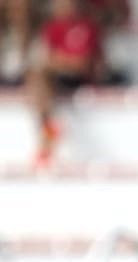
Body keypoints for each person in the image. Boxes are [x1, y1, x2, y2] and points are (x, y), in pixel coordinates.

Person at [24, 0, 102, 166]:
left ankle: (47, 129)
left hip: (80, 79)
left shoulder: (86, 26)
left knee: (39, 75)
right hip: (58, 76)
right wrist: (62, 60)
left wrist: (58, 60)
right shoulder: (52, 26)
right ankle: (48, 125)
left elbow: (82, 63)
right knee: (36, 77)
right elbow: (47, 57)